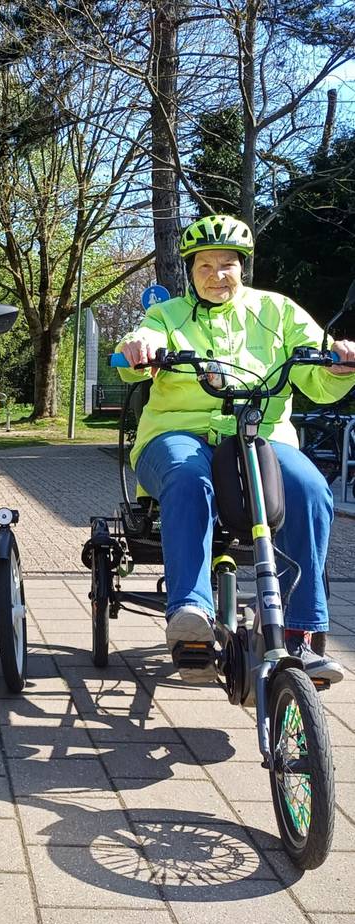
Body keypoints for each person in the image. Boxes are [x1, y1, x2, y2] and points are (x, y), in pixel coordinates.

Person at [116, 213, 355, 683]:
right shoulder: (167, 315)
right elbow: (141, 346)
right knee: (189, 479)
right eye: (205, 265)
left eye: (227, 264)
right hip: (176, 435)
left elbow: (317, 378)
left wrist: (340, 363)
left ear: (243, 267)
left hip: (260, 436)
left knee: (308, 488)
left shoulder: (279, 312)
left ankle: (300, 632)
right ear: (189, 270)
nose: (216, 274)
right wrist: (139, 347)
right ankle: (191, 617)